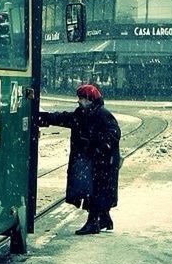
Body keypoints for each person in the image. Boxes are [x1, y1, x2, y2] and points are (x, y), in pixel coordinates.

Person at [38, 84, 121, 235]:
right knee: (95, 190)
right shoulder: (83, 114)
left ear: (90, 100)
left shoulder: (102, 114)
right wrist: (44, 118)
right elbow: (64, 118)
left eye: (82, 98)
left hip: (102, 162)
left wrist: (94, 143)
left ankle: (93, 223)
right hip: (94, 160)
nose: (79, 101)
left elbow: (114, 134)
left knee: (96, 191)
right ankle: (103, 219)